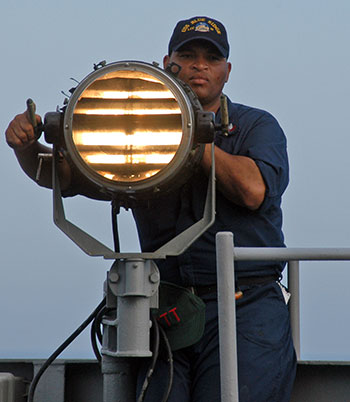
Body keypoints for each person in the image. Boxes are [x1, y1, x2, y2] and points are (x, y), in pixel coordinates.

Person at [5, 16, 296, 402]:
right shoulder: (139, 131)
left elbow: (253, 190)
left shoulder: (256, 126)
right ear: (166, 62)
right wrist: (26, 148)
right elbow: (62, 176)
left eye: (211, 58)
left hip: (246, 306)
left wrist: (191, 142)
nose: (198, 65)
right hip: (168, 308)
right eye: (187, 54)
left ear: (227, 71)